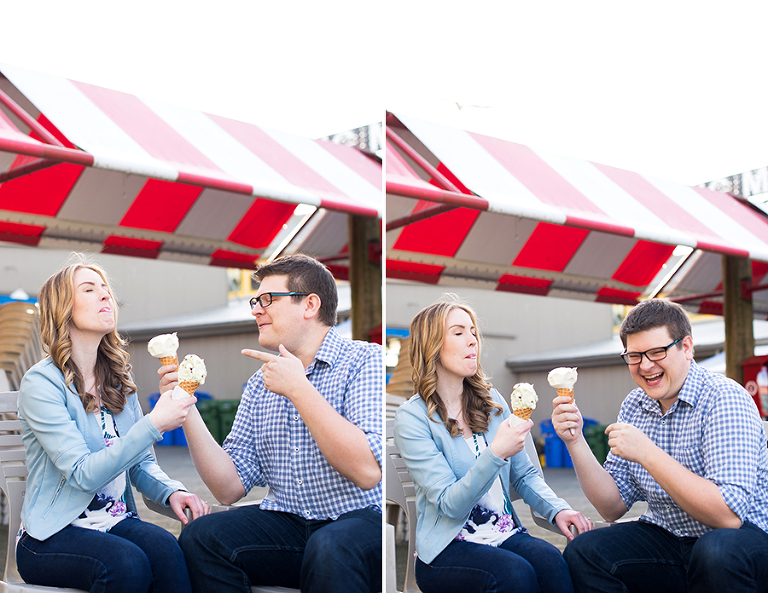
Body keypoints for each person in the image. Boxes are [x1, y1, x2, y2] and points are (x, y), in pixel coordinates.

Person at [159, 254, 382, 593]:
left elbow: (366, 472)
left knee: (331, 546)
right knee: (200, 537)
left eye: (267, 299)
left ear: (309, 304)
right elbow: (228, 488)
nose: (256, 310)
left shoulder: (366, 361)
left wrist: (299, 389)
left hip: (361, 521)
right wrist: (184, 405)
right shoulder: (258, 384)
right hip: (290, 523)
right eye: (255, 300)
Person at [16, 257, 209, 593]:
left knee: (168, 550)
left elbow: (141, 464)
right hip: (49, 536)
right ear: (62, 309)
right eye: (89, 289)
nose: (106, 296)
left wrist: (171, 490)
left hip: (112, 521)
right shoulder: (41, 384)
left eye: (105, 288)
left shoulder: (117, 379)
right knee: (127, 564)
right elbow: (82, 473)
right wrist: (153, 424)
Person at [552, 298, 768, 593]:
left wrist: (648, 453)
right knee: (584, 551)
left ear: (687, 347)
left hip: (741, 541)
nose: (645, 365)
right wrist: (575, 440)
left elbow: (727, 516)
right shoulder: (634, 404)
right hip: (668, 536)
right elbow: (611, 507)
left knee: (715, 551)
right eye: (635, 355)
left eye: (657, 352)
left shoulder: (724, 398)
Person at [393, 298, 592, 593]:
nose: (472, 340)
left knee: (552, 561)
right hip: (447, 549)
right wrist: (496, 452)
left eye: (473, 332)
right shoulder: (412, 418)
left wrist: (558, 510)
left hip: (503, 533)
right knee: (516, 574)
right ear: (431, 345)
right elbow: (449, 504)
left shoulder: (493, 401)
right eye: (459, 333)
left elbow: (524, 475)